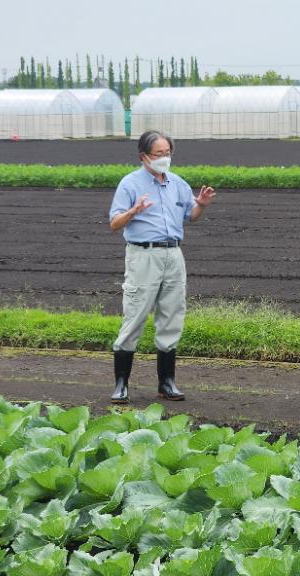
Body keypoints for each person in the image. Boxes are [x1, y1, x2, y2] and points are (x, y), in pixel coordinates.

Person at [108, 130, 216, 404]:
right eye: (159, 154)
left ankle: (166, 383)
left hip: (173, 254)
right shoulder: (130, 184)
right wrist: (133, 211)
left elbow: (190, 215)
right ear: (144, 156)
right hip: (144, 255)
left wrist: (201, 205)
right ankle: (121, 384)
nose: (165, 158)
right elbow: (115, 222)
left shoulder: (177, 183)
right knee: (135, 314)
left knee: (172, 314)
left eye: (168, 153)